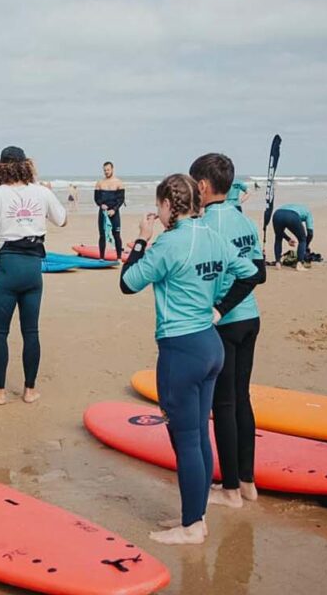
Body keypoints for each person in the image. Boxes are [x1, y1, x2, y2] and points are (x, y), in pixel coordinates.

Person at [118, 173, 258, 545]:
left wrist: (141, 240)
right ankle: (196, 515)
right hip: (211, 345)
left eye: (159, 205)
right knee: (198, 435)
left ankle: (192, 526)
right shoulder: (213, 236)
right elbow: (251, 272)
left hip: (181, 351)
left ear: (168, 204)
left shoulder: (169, 243)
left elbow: (128, 282)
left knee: (186, 441)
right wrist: (219, 307)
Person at [190, 153, 268, 509]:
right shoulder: (243, 220)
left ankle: (231, 489)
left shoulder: (207, 225)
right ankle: (248, 483)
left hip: (226, 324)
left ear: (203, 186)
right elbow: (258, 272)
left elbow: (251, 276)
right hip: (251, 320)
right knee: (241, 399)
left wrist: (220, 307)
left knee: (223, 404)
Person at [0, 146, 67, 406]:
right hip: (33, 269)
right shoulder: (42, 192)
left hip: (7, 268)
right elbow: (62, 220)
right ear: (27, 165)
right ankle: (30, 390)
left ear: (0, 167)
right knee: (31, 331)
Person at [94, 162, 125, 259]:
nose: (106, 172)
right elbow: (96, 198)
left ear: (112, 169)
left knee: (116, 234)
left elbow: (121, 199)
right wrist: (101, 204)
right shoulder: (100, 183)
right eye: (105, 170)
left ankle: (119, 257)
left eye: (108, 170)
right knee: (102, 235)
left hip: (114, 212)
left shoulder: (118, 182)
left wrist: (114, 210)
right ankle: (101, 258)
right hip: (103, 212)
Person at [271, 203, 313, 269]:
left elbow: (280, 233)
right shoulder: (308, 213)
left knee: (278, 238)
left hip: (277, 214)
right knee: (302, 239)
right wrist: (305, 246)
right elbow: (310, 233)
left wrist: (288, 239)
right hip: (292, 216)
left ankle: (278, 263)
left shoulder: (294, 207)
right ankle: (299, 264)